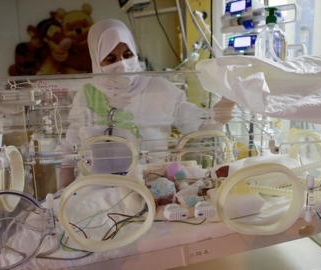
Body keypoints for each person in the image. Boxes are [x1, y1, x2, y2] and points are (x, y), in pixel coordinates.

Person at [60, 19, 232, 187]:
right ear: (96, 61)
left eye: (127, 55)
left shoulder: (159, 90)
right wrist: (61, 195)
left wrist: (230, 98)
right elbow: (69, 150)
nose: (123, 65)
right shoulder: (87, 94)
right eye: (111, 59)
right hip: (97, 189)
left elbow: (201, 124)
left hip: (150, 188)